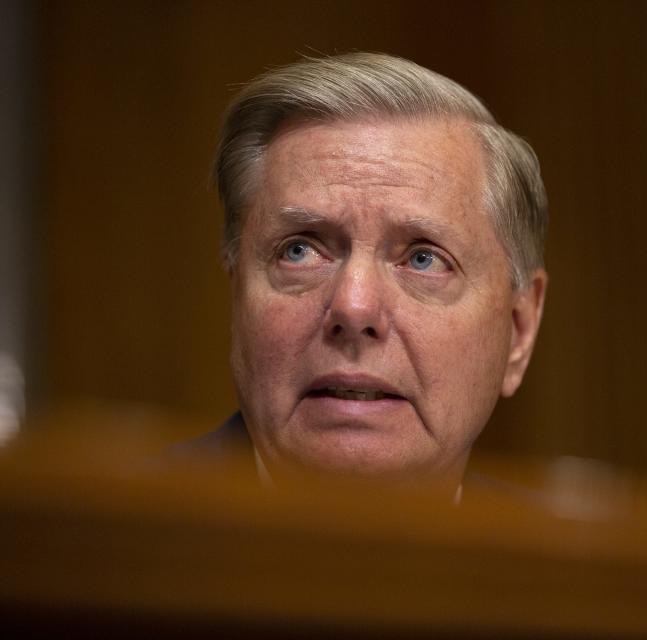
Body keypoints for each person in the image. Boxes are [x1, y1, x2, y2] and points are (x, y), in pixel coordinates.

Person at [171, 53, 547, 494]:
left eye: (424, 259)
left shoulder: (571, 560)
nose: (354, 306)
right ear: (237, 295)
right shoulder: (97, 548)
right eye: (299, 251)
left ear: (519, 332)